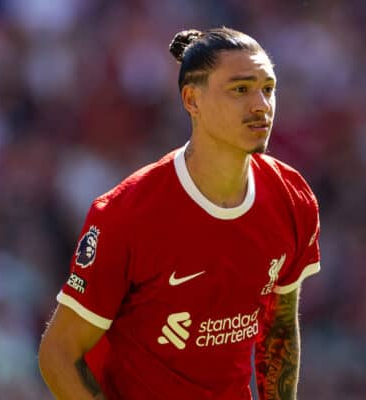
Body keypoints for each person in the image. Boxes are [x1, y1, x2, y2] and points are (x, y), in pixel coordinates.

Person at [38, 27, 321, 400]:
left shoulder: (291, 197)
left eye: (267, 88)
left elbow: (279, 328)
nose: (261, 105)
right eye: (240, 89)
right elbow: (58, 354)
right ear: (192, 100)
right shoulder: (127, 215)